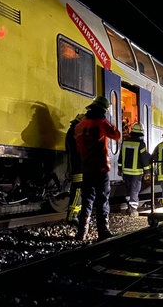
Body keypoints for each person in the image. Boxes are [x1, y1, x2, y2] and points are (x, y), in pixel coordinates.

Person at [74, 96, 121, 241]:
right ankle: (103, 231)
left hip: (86, 168)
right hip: (100, 169)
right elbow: (117, 135)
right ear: (103, 110)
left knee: (87, 199)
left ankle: (82, 232)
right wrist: (109, 119)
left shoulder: (79, 126)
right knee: (102, 200)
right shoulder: (101, 123)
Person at [117, 122, 151, 216]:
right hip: (136, 173)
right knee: (135, 190)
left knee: (128, 190)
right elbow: (144, 158)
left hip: (125, 172)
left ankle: (128, 207)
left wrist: (120, 168)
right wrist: (147, 171)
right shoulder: (141, 144)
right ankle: (133, 209)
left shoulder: (125, 142)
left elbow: (120, 157)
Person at [64, 113, 85, 226]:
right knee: (78, 190)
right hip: (79, 166)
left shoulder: (72, 131)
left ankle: (75, 214)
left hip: (78, 165)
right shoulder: (76, 132)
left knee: (78, 191)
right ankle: (72, 216)